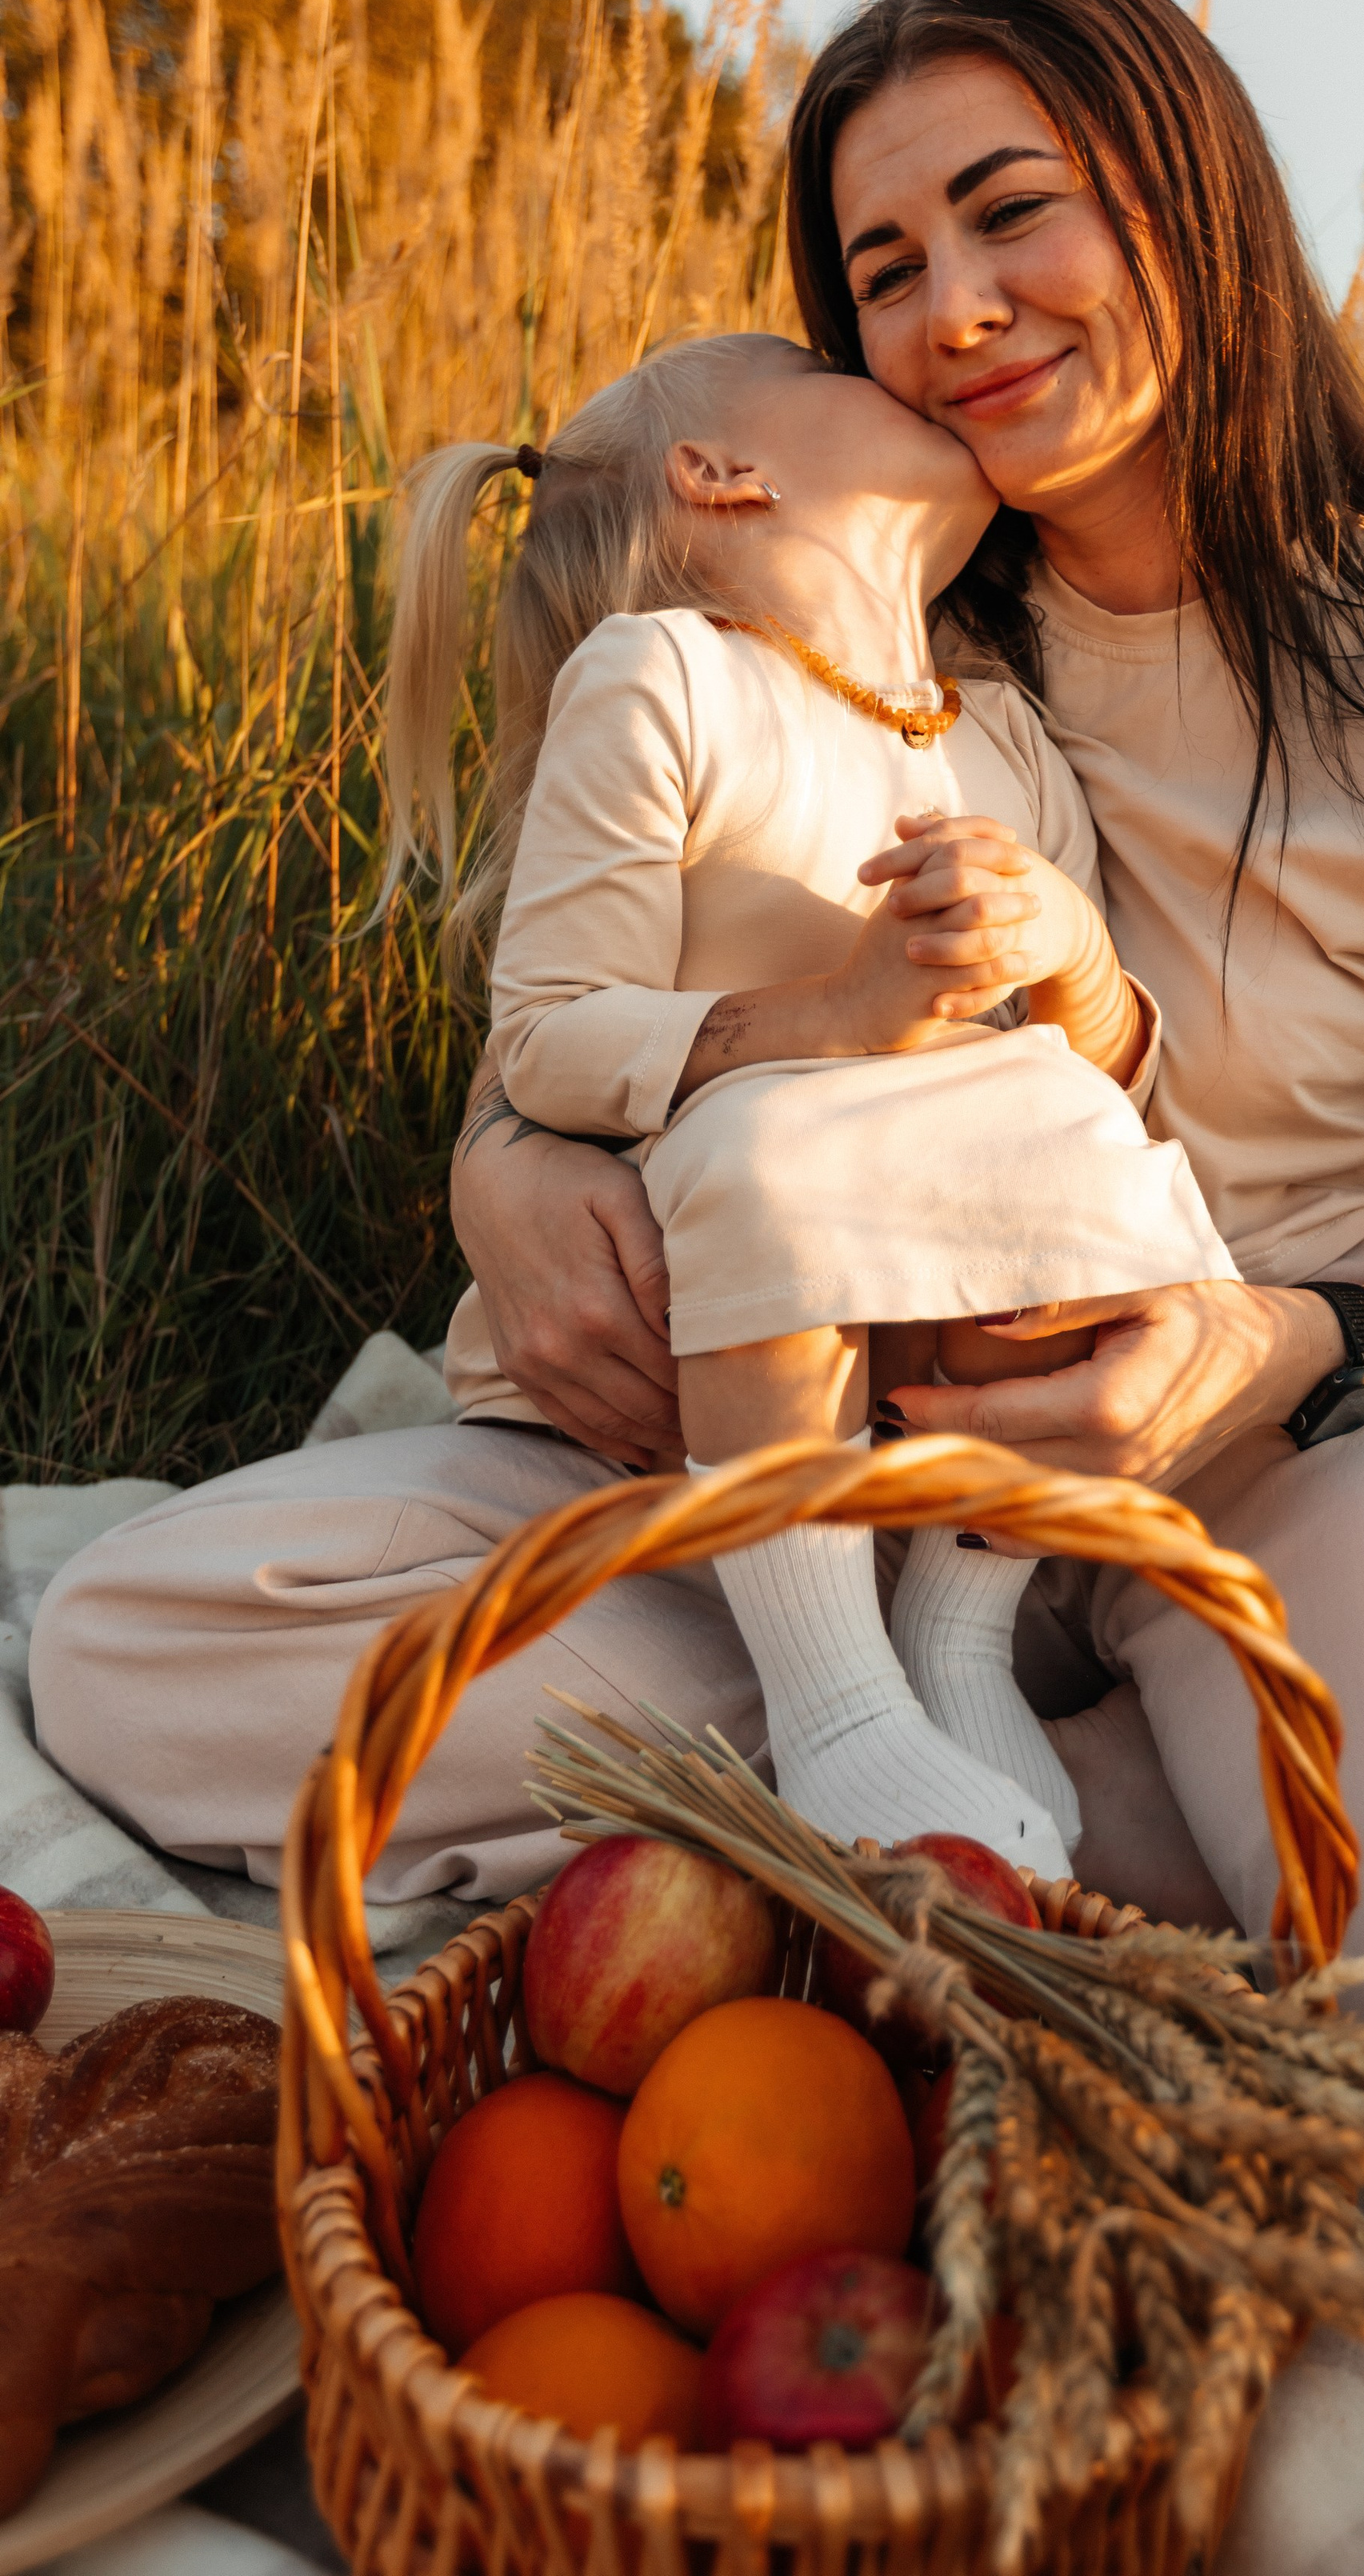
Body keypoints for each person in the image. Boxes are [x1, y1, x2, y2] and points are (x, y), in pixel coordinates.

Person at [30, 0, 1364, 2315]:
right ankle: (1037, 1782)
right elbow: (623, 986)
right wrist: (505, 1176)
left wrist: (1278, 1352)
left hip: (1294, 1458)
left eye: (1009, 210)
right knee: (143, 1644)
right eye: (881, 269)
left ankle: (1244, 1754)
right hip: (845, 1452)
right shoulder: (879, 636)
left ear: (1183, 191)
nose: (951, 308)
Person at [382, 326, 1234, 1874]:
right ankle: (832, 1691)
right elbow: (552, 1036)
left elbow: (1116, 1068)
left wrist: (1067, 945)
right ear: (721, 476)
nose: (908, 371)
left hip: (932, 1392)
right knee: (775, 1143)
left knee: (1070, 1133)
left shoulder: (1003, 739)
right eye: (833, 374)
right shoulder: (663, 680)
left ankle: (954, 1636)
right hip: (688, 1375)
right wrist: (833, 1015)